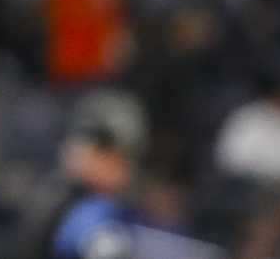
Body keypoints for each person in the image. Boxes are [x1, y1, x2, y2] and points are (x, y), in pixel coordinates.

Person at [31, 92, 222, 259]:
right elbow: (99, 244)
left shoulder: (131, 209)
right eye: (106, 155)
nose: (123, 165)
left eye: (126, 156)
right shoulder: (84, 208)